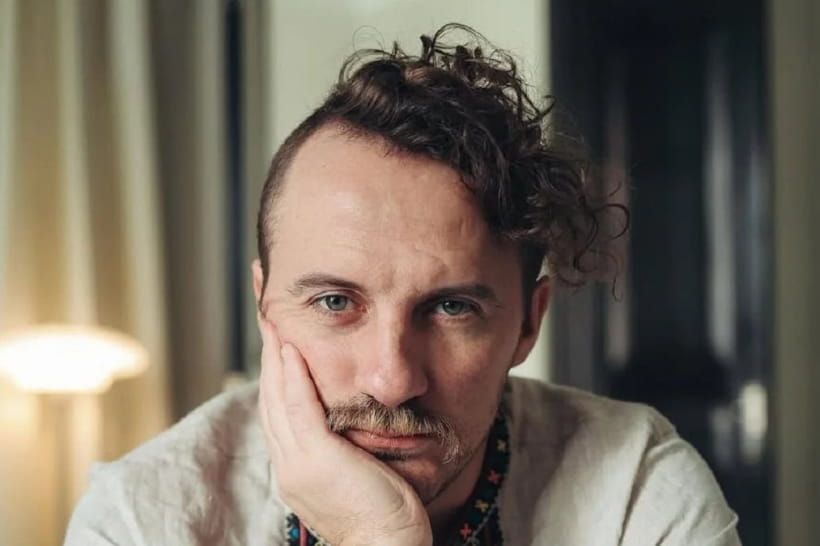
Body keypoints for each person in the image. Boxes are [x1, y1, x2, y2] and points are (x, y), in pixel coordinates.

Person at [64, 24, 740, 546]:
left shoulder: (633, 491)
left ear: (528, 324)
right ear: (265, 306)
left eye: (451, 308)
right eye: (335, 302)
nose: (391, 381)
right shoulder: (143, 519)